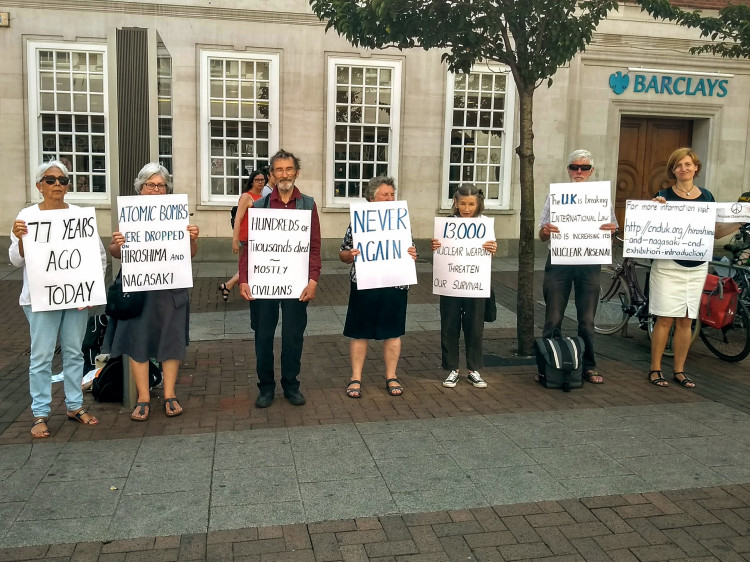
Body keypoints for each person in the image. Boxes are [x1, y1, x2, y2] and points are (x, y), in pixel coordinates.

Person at [10, 160, 106, 438]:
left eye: (63, 180)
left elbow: (97, 256)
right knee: (41, 356)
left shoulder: (78, 215)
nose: (57, 185)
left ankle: (75, 406)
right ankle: (40, 413)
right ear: (39, 186)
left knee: (74, 352)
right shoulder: (26, 216)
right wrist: (19, 241)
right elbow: (15, 260)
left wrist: (88, 289)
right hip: (40, 299)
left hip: (74, 298)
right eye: (50, 180)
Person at [109, 162, 200, 421]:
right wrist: (117, 244)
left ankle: (170, 394)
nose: (156, 189)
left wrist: (192, 239)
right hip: (139, 288)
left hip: (170, 287)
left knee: (171, 339)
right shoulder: (130, 215)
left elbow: (190, 255)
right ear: (140, 188)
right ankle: (143, 397)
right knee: (137, 338)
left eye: (161, 185)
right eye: (150, 184)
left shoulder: (176, 215)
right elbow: (116, 254)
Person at [648, 147, 743, 389]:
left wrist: (741, 220)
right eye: (678, 165)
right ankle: (656, 369)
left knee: (686, 319)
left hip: (696, 266)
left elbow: (716, 231)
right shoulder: (663, 196)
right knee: (665, 318)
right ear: (673, 170)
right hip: (668, 266)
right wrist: (652, 209)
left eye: (688, 164)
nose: (683, 168)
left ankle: (679, 370)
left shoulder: (707, 197)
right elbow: (650, 228)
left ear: (696, 168)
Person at [239, 149, 321, 408]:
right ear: (271, 174)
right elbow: (248, 246)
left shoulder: (308, 204)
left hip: (297, 283)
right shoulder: (260, 206)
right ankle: (265, 387)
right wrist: (243, 279)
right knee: (263, 336)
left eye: (289, 169)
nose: (284, 174)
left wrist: (313, 279)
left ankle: (291, 384)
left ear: (296, 172)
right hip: (264, 282)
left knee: (293, 336)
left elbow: (315, 246)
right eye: (279, 170)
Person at [538, 149, 618, 384]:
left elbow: (612, 230)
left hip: (589, 260)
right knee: (553, 316)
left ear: (592, 171)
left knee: (587, 319)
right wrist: (545, 231)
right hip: (560, 260)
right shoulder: (556, 196)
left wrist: (612, 231)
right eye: (575, 167)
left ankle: (588, 366)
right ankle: (548, 365)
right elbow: (543, 235)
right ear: (568, 170)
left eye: (584, 167)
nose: (579, 171)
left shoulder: (601, 197)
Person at [339, 176, 418, 398]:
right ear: (372, 198)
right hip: (365, 282)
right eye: (385, 194)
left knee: (393, 332)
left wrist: (413, 254)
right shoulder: (359, 221)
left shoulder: (401, 220)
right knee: (359, 331)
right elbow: (343, 253)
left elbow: (410, 250)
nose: (390, 198)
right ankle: (356, 377)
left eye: (392, 194)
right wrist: (350, 255)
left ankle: (391, 376)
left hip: (395, 282)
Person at [431, 184, 497, 388]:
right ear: (455, 202)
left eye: (471, 204)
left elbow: (490, 249)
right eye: (462, 204)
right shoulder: (447, 225)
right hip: (450, 282)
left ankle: (473, 369)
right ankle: (452, 368)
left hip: (474, 283)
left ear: (478, 204)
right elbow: (439, 255)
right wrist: (434, 247)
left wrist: (492, 247)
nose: (466, 208)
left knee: (475, 326)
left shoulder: (484, 224)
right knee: (449, 325)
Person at [217, 169, 268, 302]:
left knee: (252, 266)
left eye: (262, 180)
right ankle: (233, 287)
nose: (260, 183)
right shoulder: (246, 196)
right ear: (252, 181)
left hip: (258, 237)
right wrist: (235, 240)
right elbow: (238, 219)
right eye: (257, 180)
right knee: (247, 266)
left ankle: (227, 286)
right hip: (246, 237)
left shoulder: (263, 197)